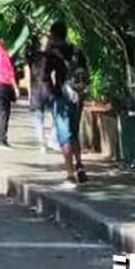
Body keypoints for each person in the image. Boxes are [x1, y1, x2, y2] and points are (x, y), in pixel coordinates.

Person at [42, 22, 89, 184]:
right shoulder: (77, 50)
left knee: (64, 136)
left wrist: (53, 94)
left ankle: (70, 174)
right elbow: (86, 74)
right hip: (78, 97)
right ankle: (80, 165)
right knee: (74, 132)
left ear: (53, 35)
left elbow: (44, 76)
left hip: (62, 97)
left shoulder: (52, 54)